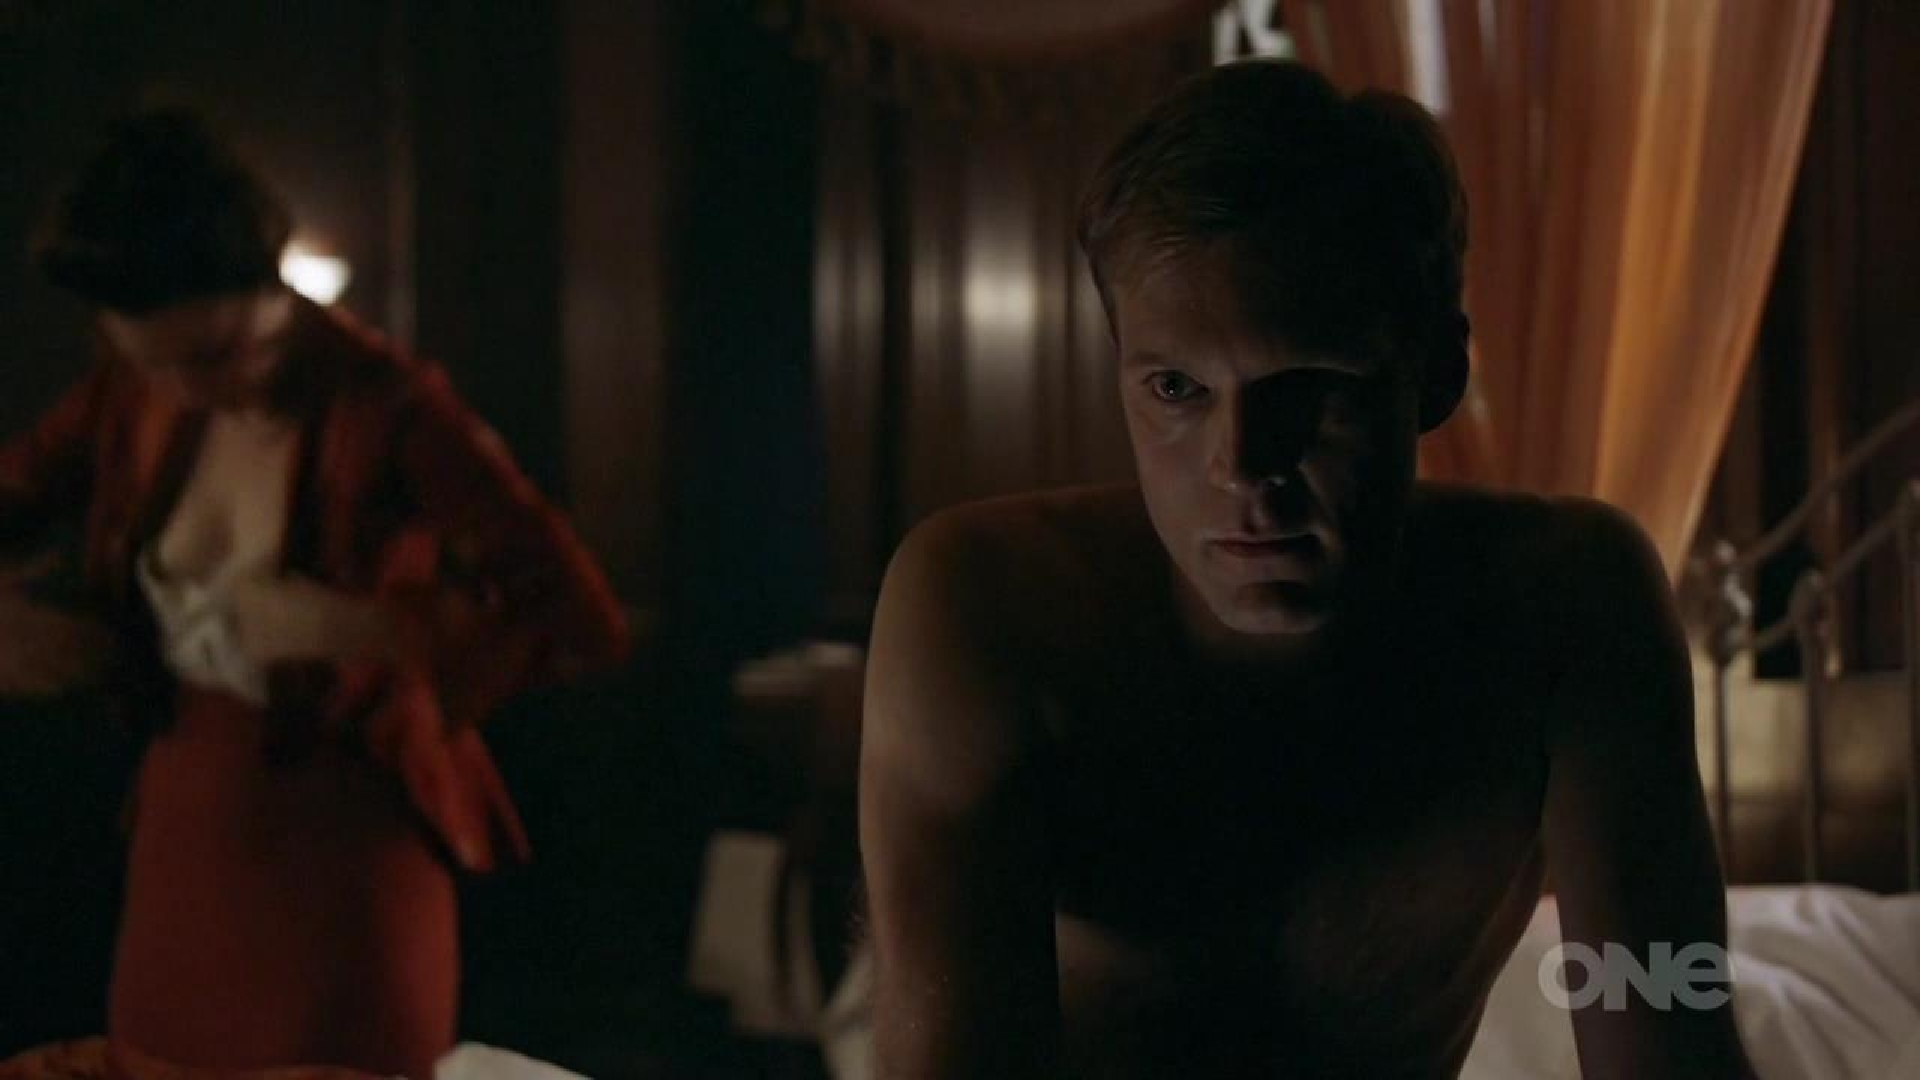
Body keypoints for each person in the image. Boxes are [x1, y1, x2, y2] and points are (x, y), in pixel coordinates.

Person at [857, 60, 1756, 1079]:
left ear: (1437, 373)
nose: (1243, 463)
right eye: (1176, 388)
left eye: (1309, 385)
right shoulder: (993, 613)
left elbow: (1663, 1022)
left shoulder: (1573, 610)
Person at [0, 109, 629, 1079]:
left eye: (217, 355)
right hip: (186, 821)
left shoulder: (389, 408)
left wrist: (369, 628)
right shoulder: (135, 394)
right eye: (153, 361)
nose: (187, 387)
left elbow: (581, 620)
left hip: (345, 833)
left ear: (273, 289)